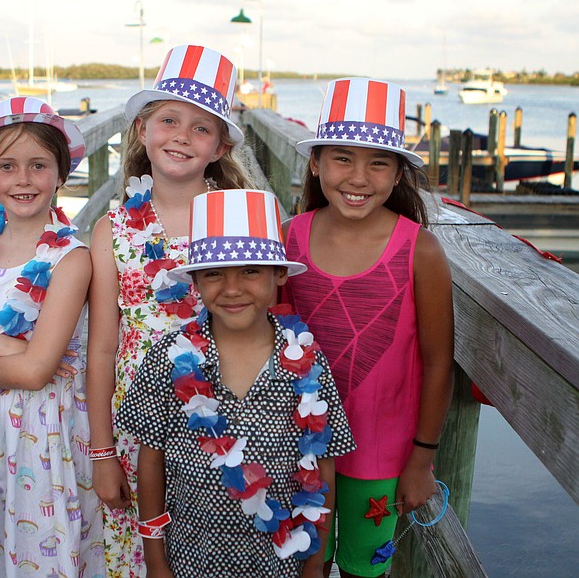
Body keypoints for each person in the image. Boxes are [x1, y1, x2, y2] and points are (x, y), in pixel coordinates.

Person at [116, 189, 355, 577]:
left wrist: (316, 561)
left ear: (279, 274)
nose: (232, 288)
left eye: (250, 270)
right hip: (192, 558)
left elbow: (324, 461)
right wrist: (156, 562)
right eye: (213, 273)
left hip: (281, 564)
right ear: (194, 279)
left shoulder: (307, 362)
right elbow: (152, 458)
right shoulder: (166, 359)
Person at [86, 44, 255, 576]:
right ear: (142, 130)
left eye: (200, 128)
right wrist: (102, 452)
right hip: (137, 422)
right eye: (168, 120)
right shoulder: (112, 230)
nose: (181, 136)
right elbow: (103, 345)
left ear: (220, 147)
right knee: (142, 555)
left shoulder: (237, 219)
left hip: (227, 416)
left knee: (219, 548)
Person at [282, 78, 455, 577]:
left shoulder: (420, 250)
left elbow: (438, 360)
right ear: (316, 163)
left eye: (378, 162)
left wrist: (421, 460)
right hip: (300, 447)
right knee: (304, 565)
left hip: (383, 453)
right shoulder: (289, 239)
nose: (358, 177)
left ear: (399, 172)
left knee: (365, 567)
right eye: (342, 158)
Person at [0, 96, 104, 577]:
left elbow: (35, 372)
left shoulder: (70, 259)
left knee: (37, 554)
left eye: (38, 165)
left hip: (38, 436)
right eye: (7, 166)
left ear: (60, 174)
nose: (23, 179)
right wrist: (3, 345)